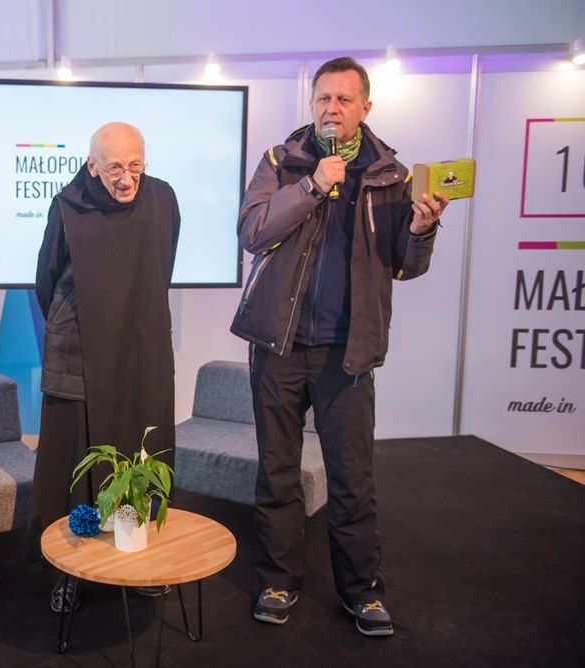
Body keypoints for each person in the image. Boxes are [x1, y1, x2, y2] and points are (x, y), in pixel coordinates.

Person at [230, 57, 448, 637]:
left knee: (353, 480)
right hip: (277, 347)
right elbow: (252, 231)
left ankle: (363, 591)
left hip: (345, 353)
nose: (332, 108)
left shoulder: (390, 175)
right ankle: (279, 580)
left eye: (344, 99)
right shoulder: (282, 162)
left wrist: (422, 230)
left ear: (365, 108)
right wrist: (311, 186)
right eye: (324, 98)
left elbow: (405, 264)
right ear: (312, 104)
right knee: (277, 472)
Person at [28, 122, 180, 611]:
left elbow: (163, 266)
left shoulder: (163, 199)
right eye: (115, 167)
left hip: (141, 344)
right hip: (79, 349)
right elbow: (47, 278)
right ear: (92, 165)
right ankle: (70, 568)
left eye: (136, 165)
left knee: (140, 450)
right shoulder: (66, 207)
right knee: (77, 459)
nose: (127, 178)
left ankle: (135, 551)